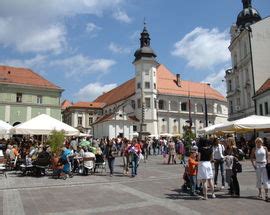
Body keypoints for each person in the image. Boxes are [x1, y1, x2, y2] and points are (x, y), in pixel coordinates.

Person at [250, 137, 269, 202]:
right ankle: (260, 193)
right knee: (259, 179)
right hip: (258, 165)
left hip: (264, 165)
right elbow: (251, 157)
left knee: (266, 179)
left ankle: (266, 194)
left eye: (260, 142)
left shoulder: (265, 148)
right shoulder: (254, 149)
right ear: (256, 143)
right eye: (257, 142)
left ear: (262, 142)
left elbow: (267, 156)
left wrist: (268, 163)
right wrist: (254, 165)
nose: (259, 143)